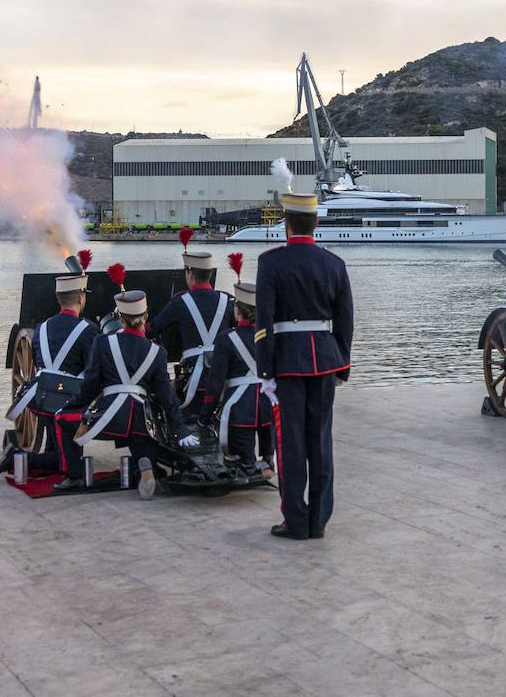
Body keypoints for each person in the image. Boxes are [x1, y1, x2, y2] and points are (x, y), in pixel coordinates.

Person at [255, 191, 354, 541]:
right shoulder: (334, 264)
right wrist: (342, 364)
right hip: (325, 361)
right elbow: (345, 321)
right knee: (321, 442)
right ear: (316, 223)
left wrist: (264, 371)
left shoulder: (270, 262)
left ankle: (295, 521)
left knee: (291, 443)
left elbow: (263, 323)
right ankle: (318, 522)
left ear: (287, 224)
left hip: (287, 363)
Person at [54, 290, 199, 498]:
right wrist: (180, 428)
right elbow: (166, 397)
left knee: (62, 419)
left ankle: (74, 475)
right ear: (145, 317)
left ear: (121, 318)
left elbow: (90, 385)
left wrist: (74, 405)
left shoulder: (102, 343)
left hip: (109, 419)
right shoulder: (158, 352)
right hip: (142, 421)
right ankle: (146, 466)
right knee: (141, 437)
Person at [0, 272, 97, 483]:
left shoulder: (41, 329)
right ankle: (16, 458)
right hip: (70, 406)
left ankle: (41, 455)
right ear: (81, 298)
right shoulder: (89, 331)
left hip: (44, 400)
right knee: (67, 462)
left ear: (59, 299)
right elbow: (93, 370)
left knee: (56, 450)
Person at [150, 247, 234, 423]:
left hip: (192, 383)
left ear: (189, 273)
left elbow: (154, 328)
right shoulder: (227, 301)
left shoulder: (179, 302)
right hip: (224, 381)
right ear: (209, 274)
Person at [204, 281, 277, 479]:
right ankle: (268, 462)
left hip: (240, 408)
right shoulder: (272, 336)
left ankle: (252, 467)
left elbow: (216, 382)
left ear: (237, 311)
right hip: (268, 403)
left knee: (243, 460)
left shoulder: (225, 338)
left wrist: (205, 415)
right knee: (267, 443)